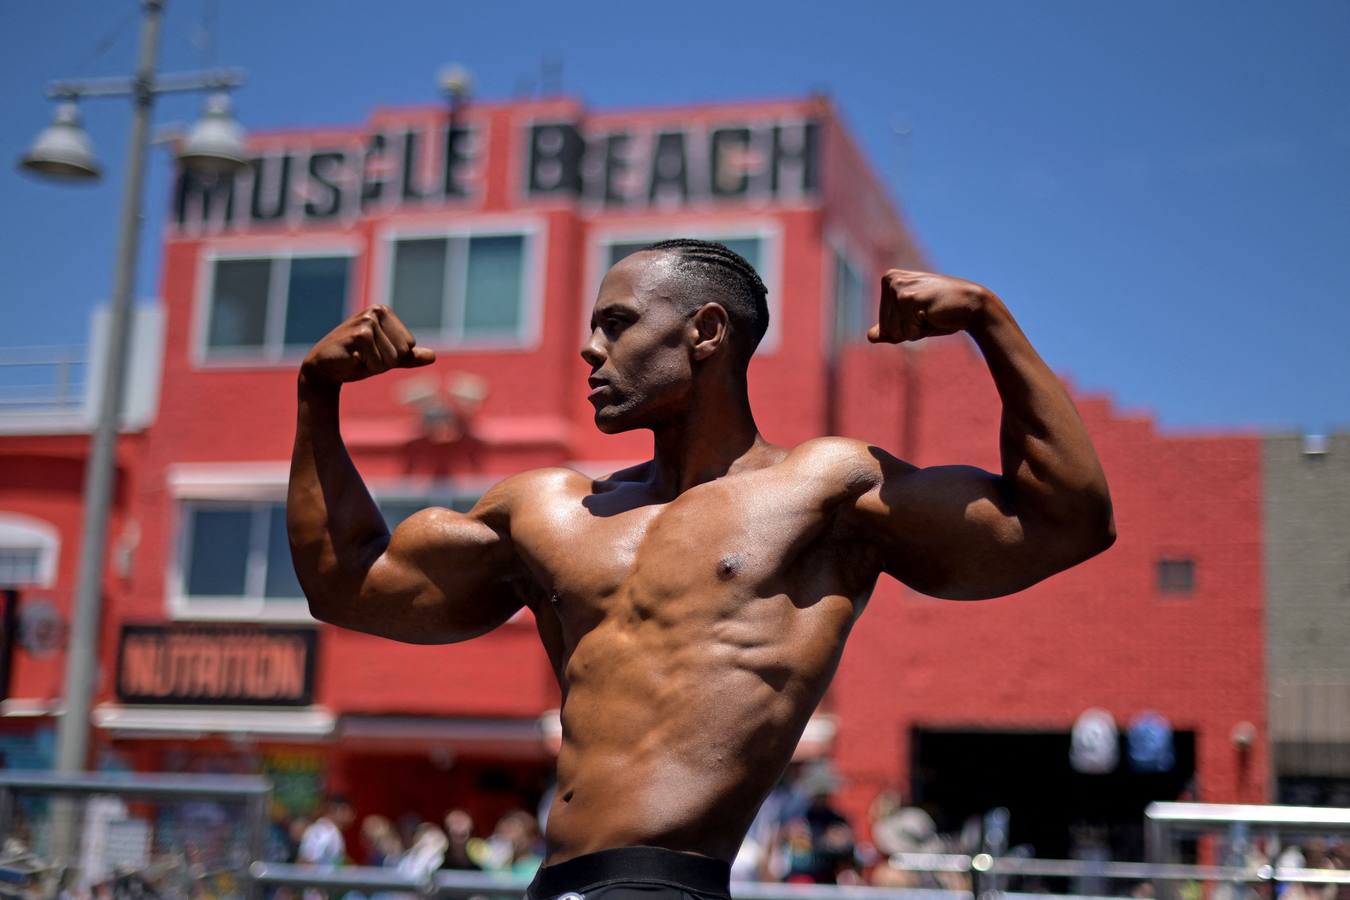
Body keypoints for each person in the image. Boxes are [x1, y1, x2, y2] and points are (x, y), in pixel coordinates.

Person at [288, 239, 1116, 900]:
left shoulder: (824, 491)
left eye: (617, 324)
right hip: (553, 883)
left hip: (667, 884)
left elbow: (1064, 523)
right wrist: (317, 395)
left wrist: (990, 322)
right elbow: (349, 585)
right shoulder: (548, 510)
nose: (589, 349)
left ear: (706, 332)